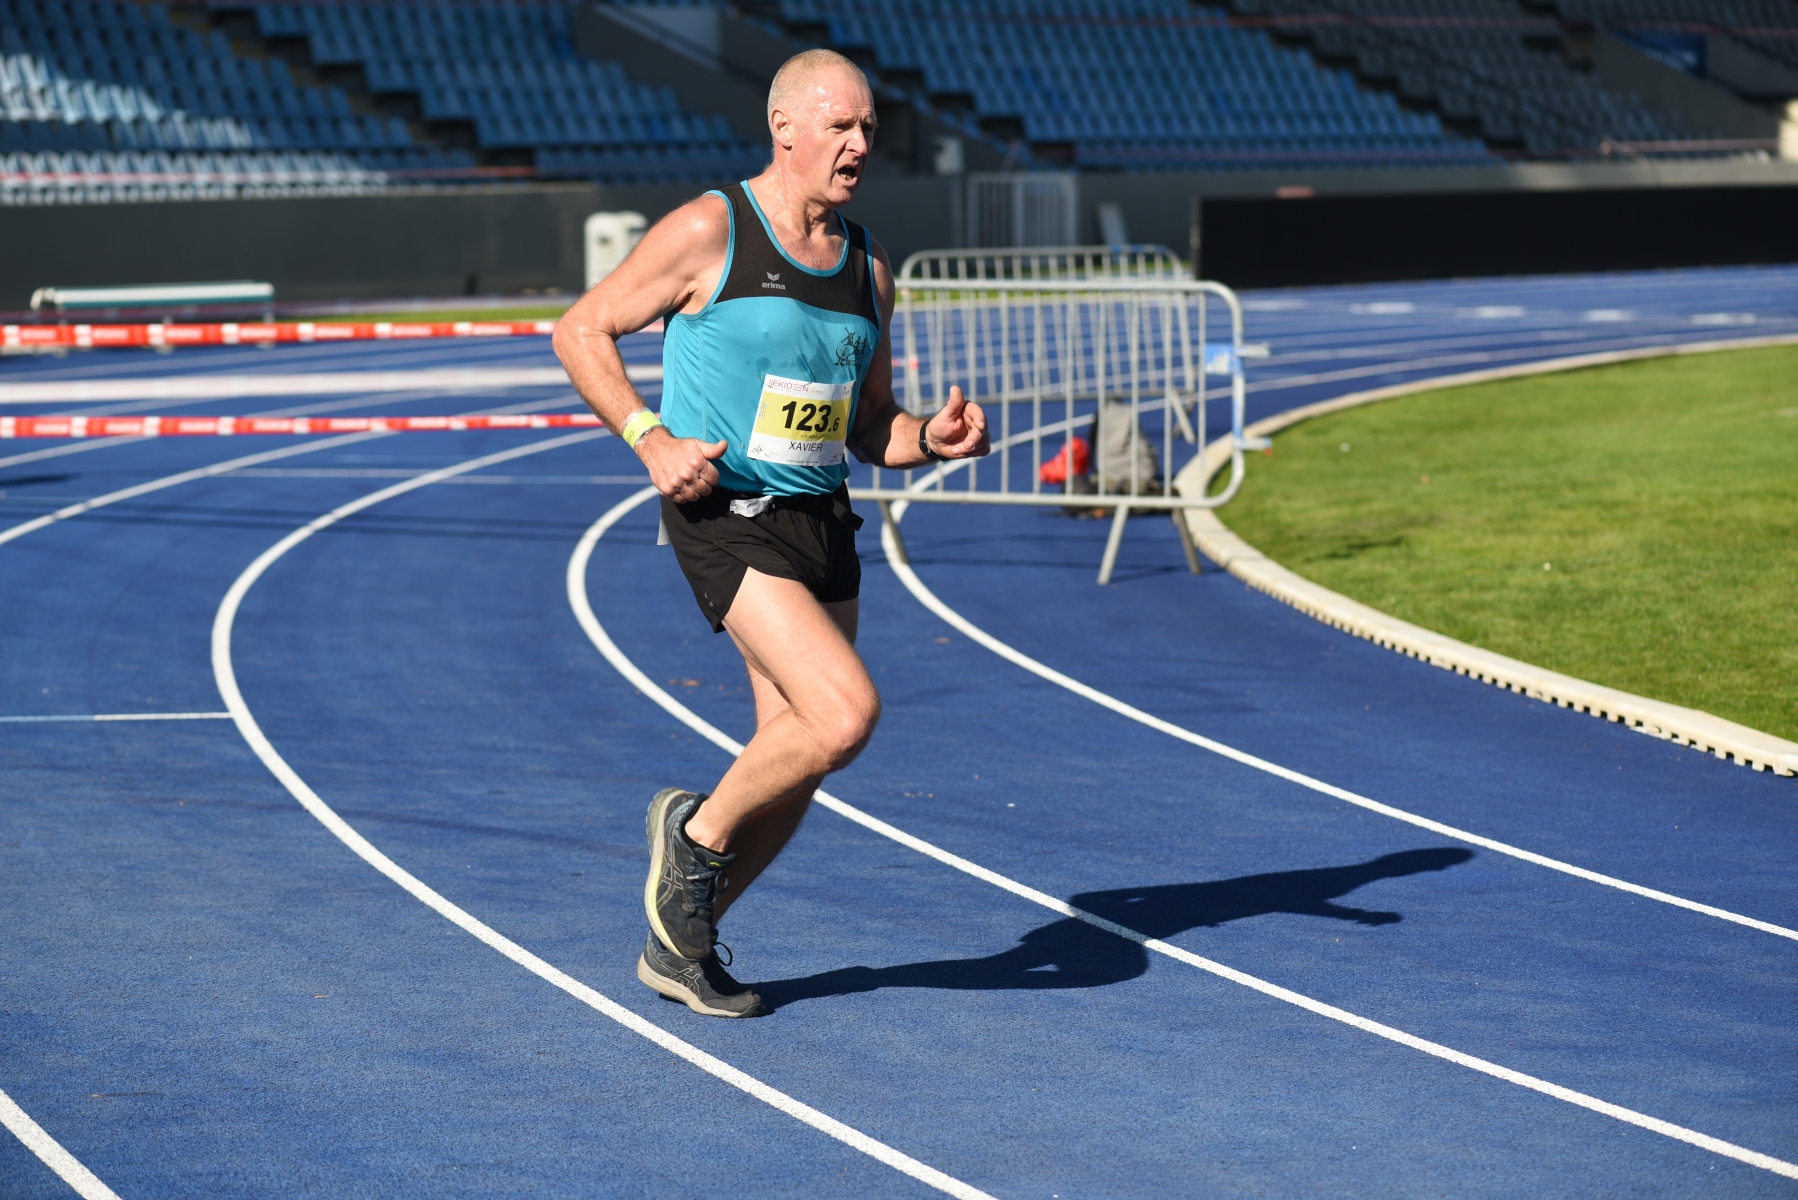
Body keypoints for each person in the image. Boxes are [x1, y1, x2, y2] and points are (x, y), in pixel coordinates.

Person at [553, 49, 990, 1017]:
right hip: (726, 510)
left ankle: (682, 944)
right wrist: (649, 437)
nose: (860, 144)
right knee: (842, 715)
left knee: (795, 759)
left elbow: (869, 425)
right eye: (841, 126)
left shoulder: (869, 265)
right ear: (784, 129)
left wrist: (931, 437)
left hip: (822, 520)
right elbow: (580, 329)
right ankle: (691, 840)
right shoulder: (713, 229)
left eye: (869, 128)